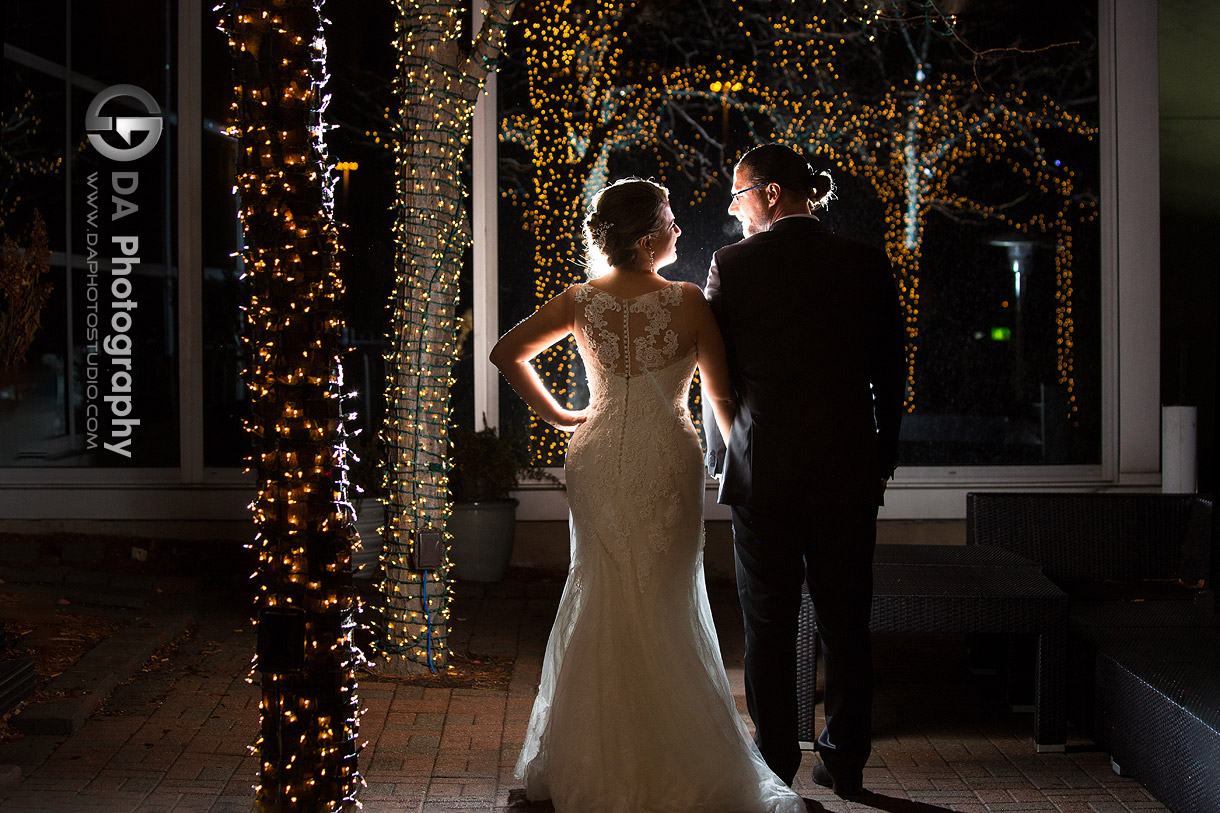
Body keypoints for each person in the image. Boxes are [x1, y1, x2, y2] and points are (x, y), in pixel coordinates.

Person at [492, 178, 805, 812]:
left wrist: (564, 415)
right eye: (669, 219)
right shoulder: (689, 302)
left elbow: (506, 352)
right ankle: (675, 758)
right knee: (665, 599)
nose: (679, 230)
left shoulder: (580, 301)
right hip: (667, 456)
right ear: (645, 237)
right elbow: (721, 401)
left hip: (597, 453)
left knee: (601, 591)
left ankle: (592, 758)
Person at [702, 143, 907, 798]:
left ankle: (776, 762)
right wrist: (881, 457)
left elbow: (717, 379)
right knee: (848, 620)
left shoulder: (732, 266)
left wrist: (724, 455)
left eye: (737, 196)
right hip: (847, 472)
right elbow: (892, 374)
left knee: (768, 622)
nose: (734, 212)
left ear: (767, 193)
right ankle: (846, 761)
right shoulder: (865, 263)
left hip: (764, 475)